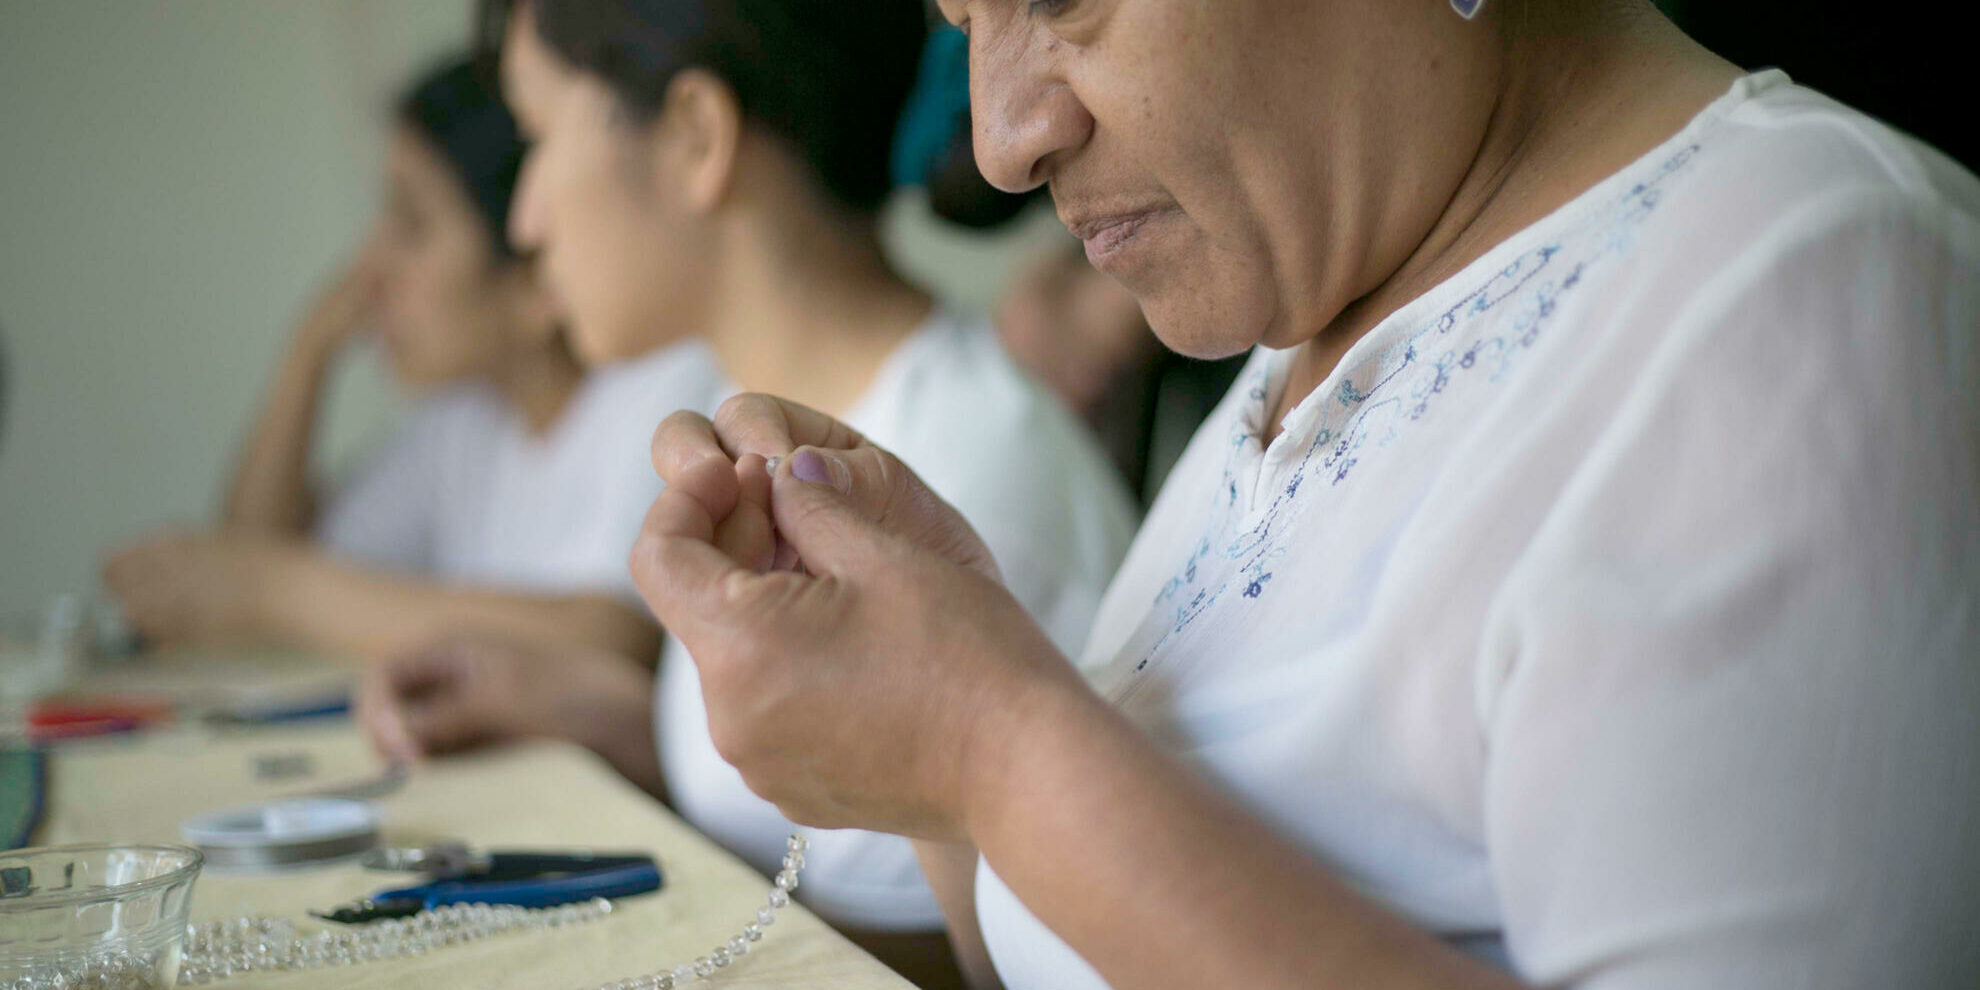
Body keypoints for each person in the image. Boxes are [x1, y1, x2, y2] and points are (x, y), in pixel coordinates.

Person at [628, 1, 1980, 989]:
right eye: (962, 14)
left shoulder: (1814, 292)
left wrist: (994, 744)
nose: (1002, 140)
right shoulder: (1316, 312)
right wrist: (945, 674)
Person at [356, 2, 1137, 984]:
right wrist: (611, 718)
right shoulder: (786, 432)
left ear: (694, 135)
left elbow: (986, 962)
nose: (525, 221)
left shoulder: (963, 483)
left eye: (539, 139)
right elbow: (832, 841)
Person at [102, 57, 715, 665]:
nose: (368, 269)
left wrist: (277, 589)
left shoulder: (659, 389)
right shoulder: (466, 423)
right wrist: (305, 358)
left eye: (413, 225)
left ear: (535, 269)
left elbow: (612, 639)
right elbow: (243, 568)